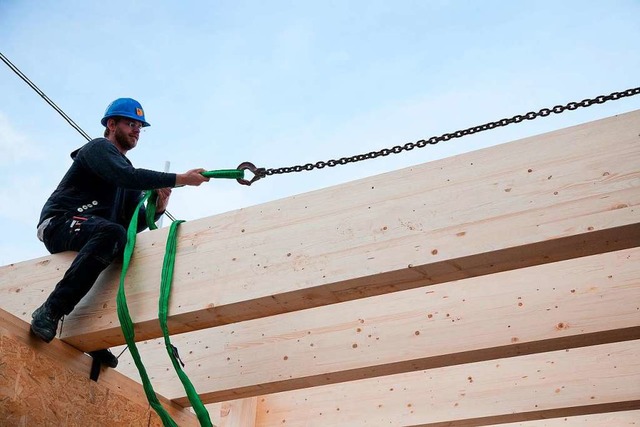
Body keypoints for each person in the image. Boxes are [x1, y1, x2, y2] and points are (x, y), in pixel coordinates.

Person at [31, 98, 209, 367]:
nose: (136, 130)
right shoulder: (97, 150)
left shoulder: (126, 181)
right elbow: (128, 176)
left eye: (140, 126)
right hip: (59, 222)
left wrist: (158, 209)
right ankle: (50, 311)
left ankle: (92, 334)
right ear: (111, 125)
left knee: (126, 250)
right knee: (112, 234)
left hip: (96, 232)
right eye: (130, 123)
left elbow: (130, 227)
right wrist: (181, 179)